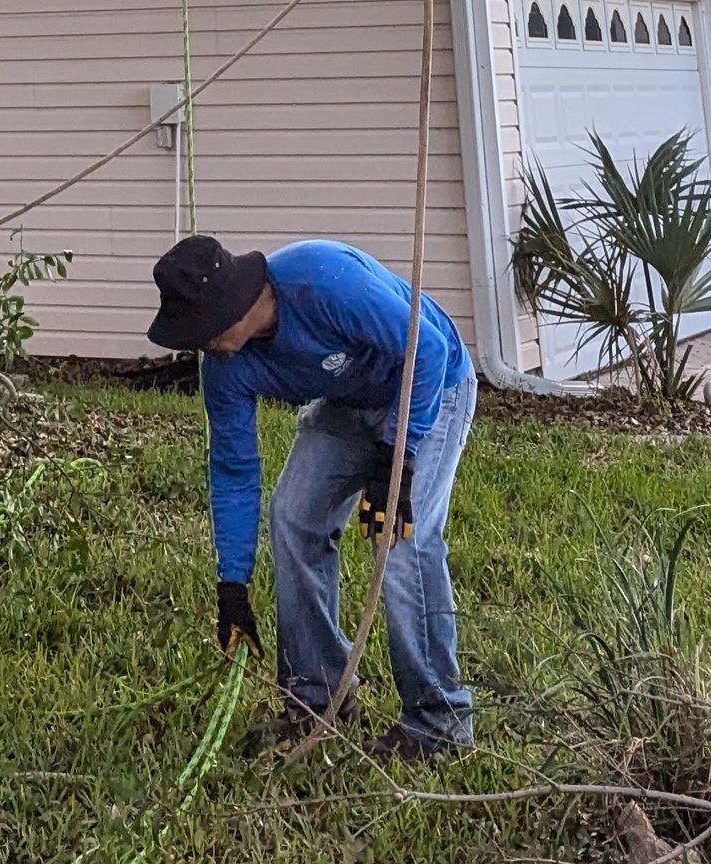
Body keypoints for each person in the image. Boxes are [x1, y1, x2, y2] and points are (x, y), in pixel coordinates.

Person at [149, 231, 477, 760]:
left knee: (397, 541)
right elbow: (233, 470)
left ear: (228, 308)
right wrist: (233, 584)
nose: (196, 344)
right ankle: (317, 697)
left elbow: (428, 349)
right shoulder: (225, 369)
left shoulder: (323, 280)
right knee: (294, 516)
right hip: (349, 400)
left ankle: (439, 723)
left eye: (197, 331)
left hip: (429, 385)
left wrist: (398, 458)